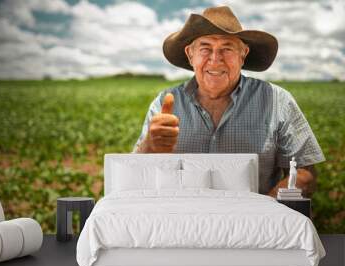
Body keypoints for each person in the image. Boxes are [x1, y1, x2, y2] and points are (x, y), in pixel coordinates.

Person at [132, 6, 325, 197]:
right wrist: (150, 144)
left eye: (227, 48)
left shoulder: (277, 100)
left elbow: (304, 173)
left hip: (254, 222)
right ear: (190, 55)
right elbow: (135, 171)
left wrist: (264, 211)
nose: (215, 59)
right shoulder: (164, 103)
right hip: (181, 218)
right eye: (205, 48)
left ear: (243, 55)